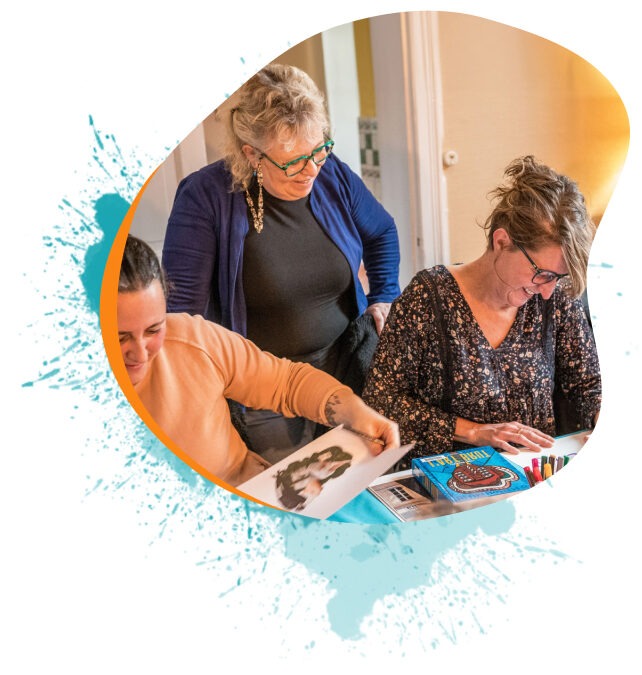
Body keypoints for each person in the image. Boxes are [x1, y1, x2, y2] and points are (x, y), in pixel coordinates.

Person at [161, 63, 400, 461]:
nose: (311, 171)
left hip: (346, 366)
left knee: (361, 481)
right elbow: (179, 317)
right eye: (292, 161)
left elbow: (382, 231)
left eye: (319, 151)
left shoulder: (331, 175)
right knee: (291, 497)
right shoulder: (205, 197)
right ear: (251, 153)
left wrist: (385, 295)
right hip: (265, 393)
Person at [362, 156, 601, 466]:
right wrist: (473, 432)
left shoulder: (556, 298)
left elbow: (588, 385)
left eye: (559, 277)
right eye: (542, 273)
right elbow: (381, 402)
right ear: (501, 242)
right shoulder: (428, 297)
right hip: (447, 480)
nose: (547, 290)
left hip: (536, 471)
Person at [117, 235, 400, 487]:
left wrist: (355, 412)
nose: (141, 353)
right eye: (120, 338)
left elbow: (287, 382)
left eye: (154, 329)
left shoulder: (192, 338)